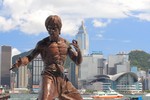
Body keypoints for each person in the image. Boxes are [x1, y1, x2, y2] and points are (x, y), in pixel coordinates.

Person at [10, 15, 83, 100]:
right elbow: (30, 57)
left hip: (61, 77)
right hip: (48, 76)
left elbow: (78, 61)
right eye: (49, 28)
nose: (51, 31)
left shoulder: (66, 43)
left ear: (59, 29)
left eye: (54, 28)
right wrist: (20, 62)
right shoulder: (42, 44)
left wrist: (78, 50)